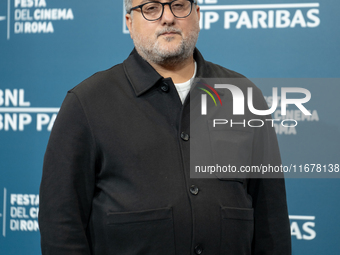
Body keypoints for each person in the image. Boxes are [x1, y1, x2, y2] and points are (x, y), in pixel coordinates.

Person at [39, 0, 291, 254]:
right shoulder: (87, 103)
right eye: (150, 8)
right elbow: (61, 223)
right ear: (129, 22)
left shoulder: (243, 96)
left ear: (198, 14)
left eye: (179, 5)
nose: (168, 17)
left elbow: (272, 218)